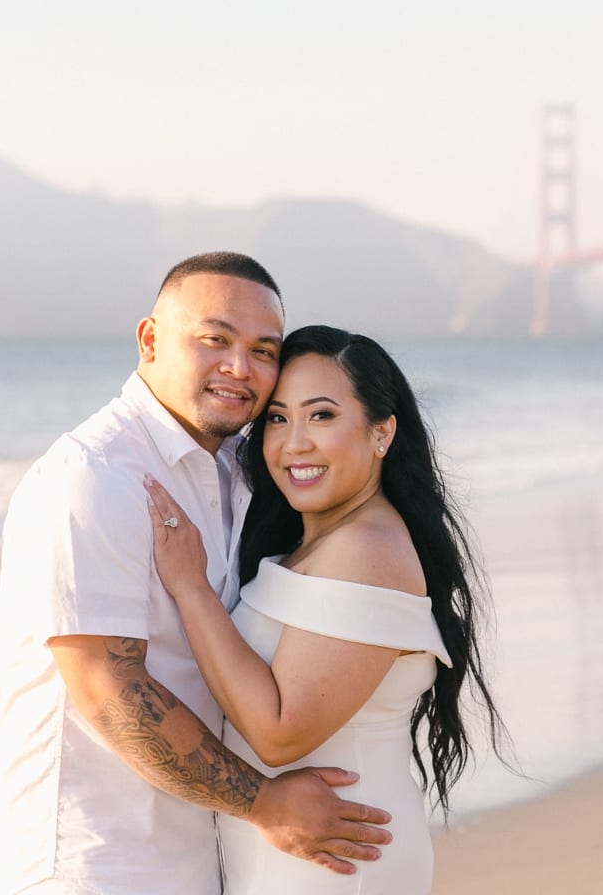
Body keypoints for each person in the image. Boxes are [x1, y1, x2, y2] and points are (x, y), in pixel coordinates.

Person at [0, 254, 392, 895]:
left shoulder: (235, 471)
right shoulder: (95, 477)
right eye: (215, 340)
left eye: (262, 350)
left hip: (189, 861)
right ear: (149, 340)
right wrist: (267, 804)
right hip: (90, 863)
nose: (239, 368)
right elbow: (105, 687)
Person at [144, 324, 507, 894]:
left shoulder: (369, 549)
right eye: (278, 418)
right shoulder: (316, 545)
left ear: (381, 432)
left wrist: (190, 588)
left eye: (322, 416)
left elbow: (279, 734)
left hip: (338, 866)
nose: (294, 444)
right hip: (304, 856)